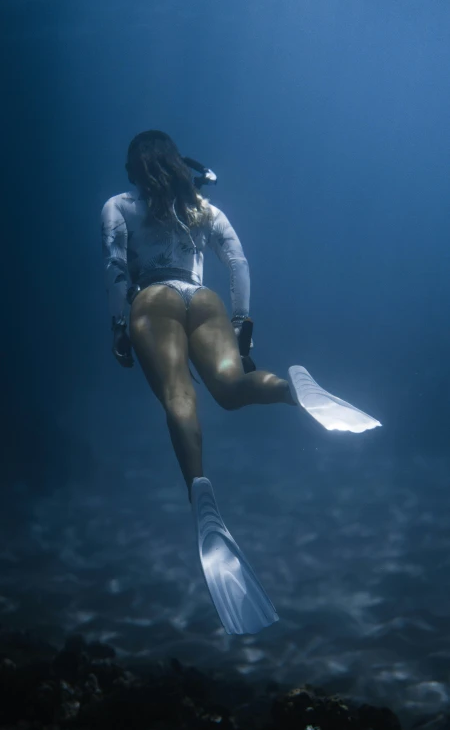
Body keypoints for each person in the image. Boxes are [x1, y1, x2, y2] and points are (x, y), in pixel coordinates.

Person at [101, 130, 380, 635]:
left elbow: (116, 265)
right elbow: (237, 261)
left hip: (152, 299)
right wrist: (243, 326)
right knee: (230, 388)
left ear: (133, 168)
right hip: (203, 298)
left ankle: (199, 492)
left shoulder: (120, 205)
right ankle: (293, 390)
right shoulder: (204, 209)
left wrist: (119, 325)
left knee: (178, 394)